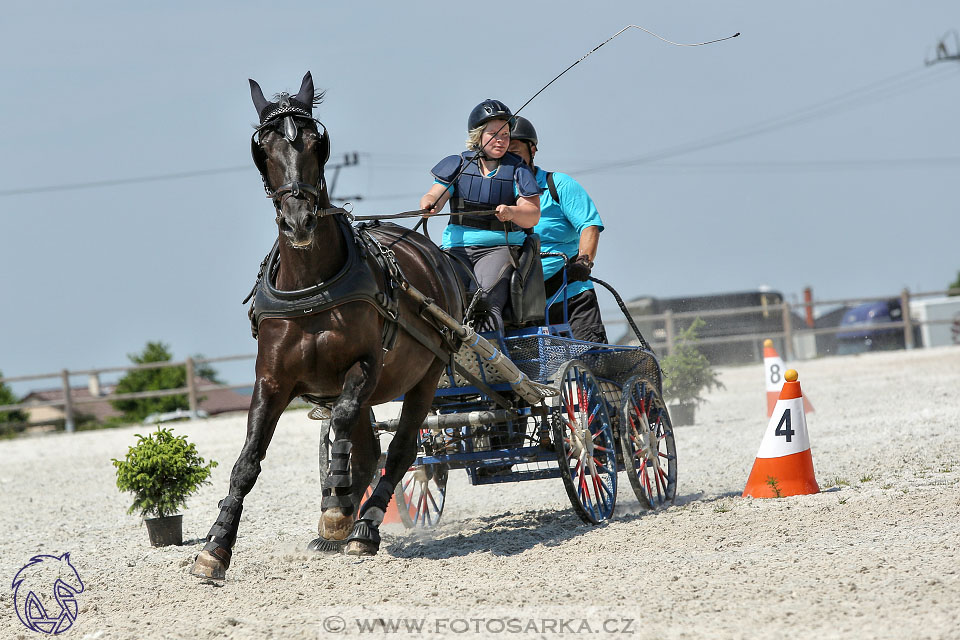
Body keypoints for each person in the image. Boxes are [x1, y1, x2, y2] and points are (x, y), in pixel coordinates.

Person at [420, 99, 541, 334]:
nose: (501, 140)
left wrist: (512, 212)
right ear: (478, 135)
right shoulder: (458, 165)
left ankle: (488, 364)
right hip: (456, 249)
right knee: (439, 301)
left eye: (506, 134)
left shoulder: (519, 170)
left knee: (485, 301)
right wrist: (430, 203)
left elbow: (532, 215)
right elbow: (436, 193)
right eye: (494, 134)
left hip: (498, 248)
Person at [508, 116, 608, 343]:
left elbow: (589, 226)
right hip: (520, 303)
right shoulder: (498, 195)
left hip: (568, 292)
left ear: (532, 150)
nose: (509, 159)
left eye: (514, 150)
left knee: (593, 359)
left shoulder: (559, 185)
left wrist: (583, 261)